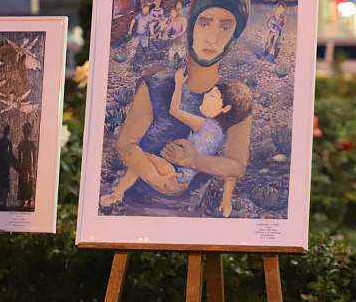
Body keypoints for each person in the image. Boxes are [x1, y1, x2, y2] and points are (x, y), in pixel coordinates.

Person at [111, 0, 253, 216]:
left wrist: (194, 160)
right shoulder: (156, 83)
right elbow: (126, 144)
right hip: (136, 213)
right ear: (191, 27)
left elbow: (237, 166)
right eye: (204, 23)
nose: (212, 38)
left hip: (192, 216)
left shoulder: (234, 98)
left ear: (233, 38)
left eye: (225, 28)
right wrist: (156, 180)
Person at [101, 68, 253, 216]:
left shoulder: (203, 124)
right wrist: (226, 201)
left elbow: (174, 110)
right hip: (184, 180)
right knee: (143, 159)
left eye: (212, 96)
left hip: (172, 176)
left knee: (136, 154)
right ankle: (119, 192)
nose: (205, 96)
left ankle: (118, 193)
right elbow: (229, 173)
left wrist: (179, 84)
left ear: (225, 108)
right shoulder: (223, 134)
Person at [17, 123, 37, 209]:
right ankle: (23, 199)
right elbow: (19, 156)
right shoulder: (23, 143)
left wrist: (33, 165)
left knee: (28, 181)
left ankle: (28, 199)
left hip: (28, 165)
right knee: (23, 181)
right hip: (24, 165)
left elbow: (34, 156)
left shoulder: (29, 143)